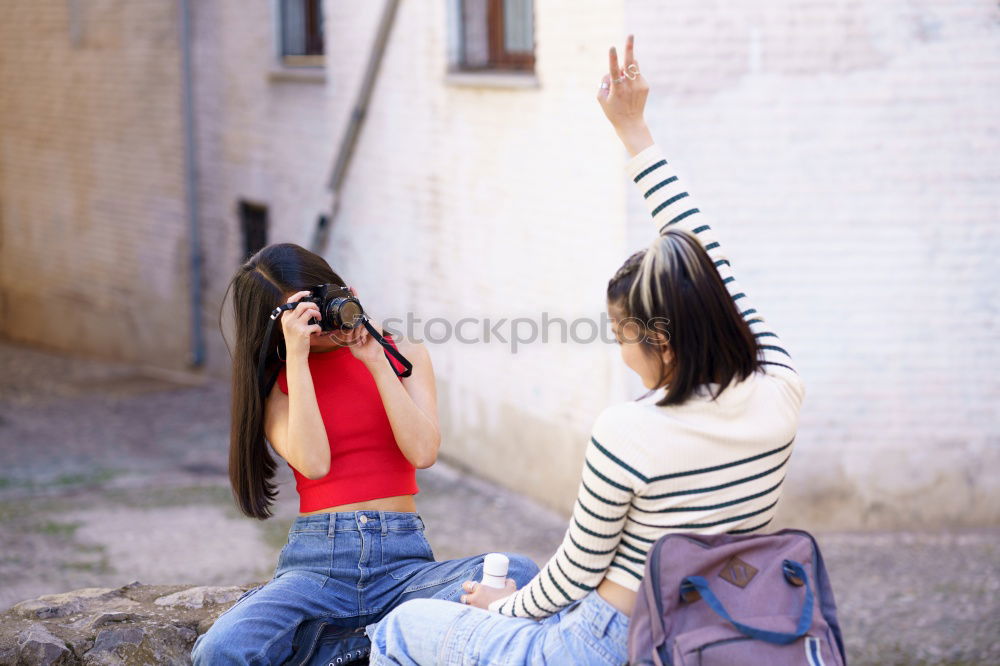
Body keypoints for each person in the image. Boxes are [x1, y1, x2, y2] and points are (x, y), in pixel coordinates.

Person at [365, 34, 806, 665]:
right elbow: (714, 263)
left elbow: (575, 573)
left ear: (659, 343)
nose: (620, 349)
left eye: (622, 335)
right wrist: (634, 130)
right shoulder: (781, 385)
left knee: (402, 628)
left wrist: (500, 609)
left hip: (607, 642)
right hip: (708, 630)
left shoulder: (630, 432)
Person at [191, 243, 539, 664]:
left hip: (404, 567)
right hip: (317, 570)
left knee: (517, 574)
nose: (316, 321)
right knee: (221, 649)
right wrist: (297, 357)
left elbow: (424, 451)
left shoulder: (403, 354)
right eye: (300, 315)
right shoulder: (276, 385)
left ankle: (342, 643)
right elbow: (314, 462)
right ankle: (385, 637)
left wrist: (376, 360)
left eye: (319, 301)